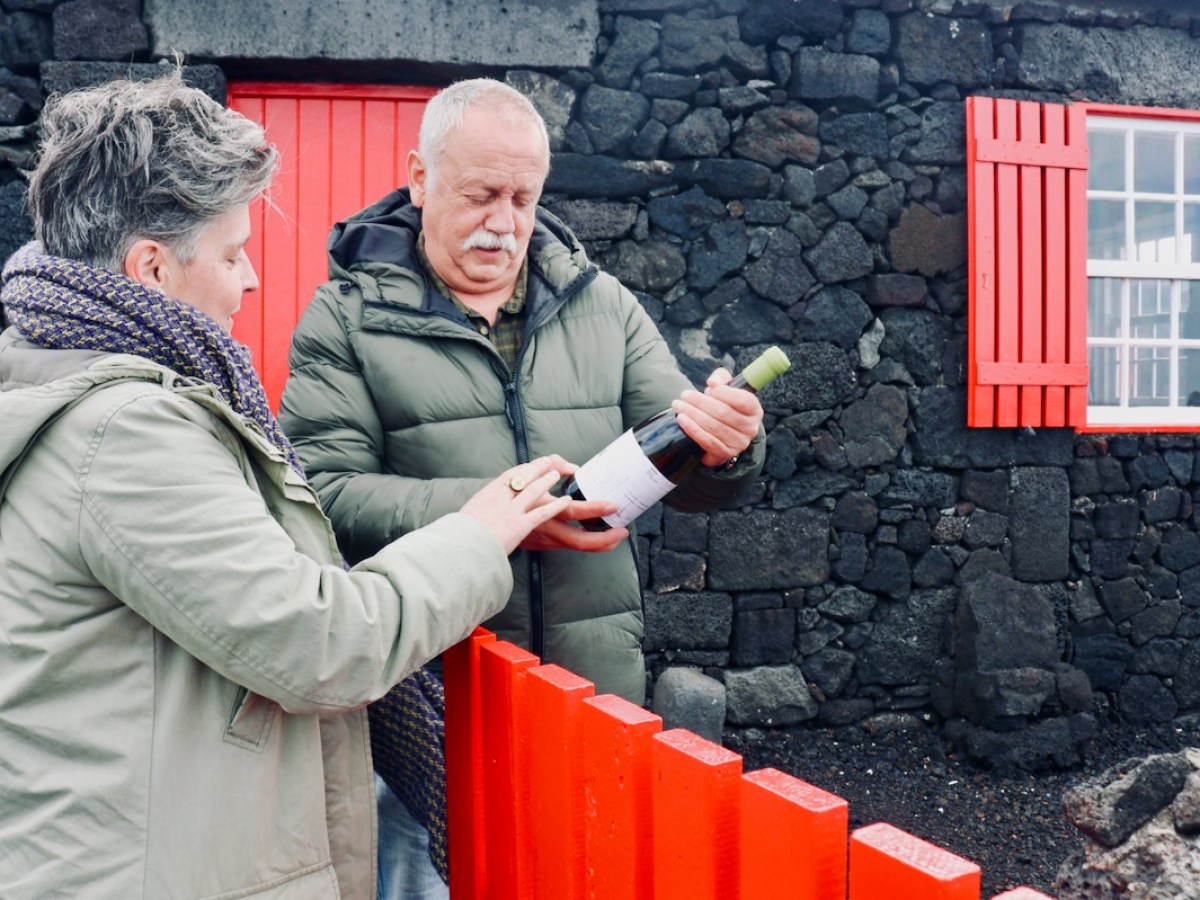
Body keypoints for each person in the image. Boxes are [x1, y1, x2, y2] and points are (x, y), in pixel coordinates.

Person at [0, 70, 582, 900]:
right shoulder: (122, 432)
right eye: (235, 254)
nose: (253, 281)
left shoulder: (52, 373)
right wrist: (480, 532)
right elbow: (320, 643)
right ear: (153, 270)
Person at [278, 78, 767, 897]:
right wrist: (494, 520)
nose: (504, 224)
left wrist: (728, 449)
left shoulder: (602, 305)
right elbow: (322, 497)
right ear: (420, 178)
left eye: (524, 197)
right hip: (429, 703)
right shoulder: (344, 319)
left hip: (593, 690)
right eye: (480, 195)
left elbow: (685, 465)